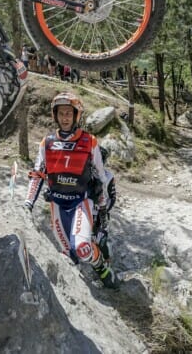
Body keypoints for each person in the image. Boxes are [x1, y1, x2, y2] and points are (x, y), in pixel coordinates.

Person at [24, 92, 120, 289]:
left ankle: (102, 267)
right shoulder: (47, 142)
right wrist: (27, 204)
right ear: (55, 116)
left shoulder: (89, 142)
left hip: (81, 202)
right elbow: (37, 174)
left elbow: (101, 178)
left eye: (69, 113)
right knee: (69, 254)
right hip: (57, 205)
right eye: (61, 113)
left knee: (83, 248)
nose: (65, 117)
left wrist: (102, 213)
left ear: (77, 115)